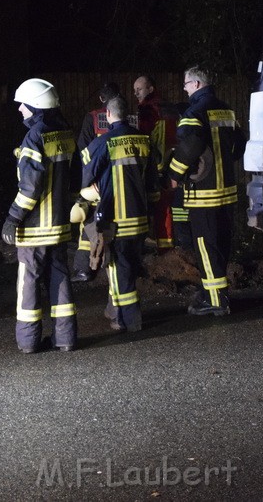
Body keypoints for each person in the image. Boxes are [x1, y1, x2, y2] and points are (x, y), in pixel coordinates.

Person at [2, 78, 78, 353]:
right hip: (59, 226)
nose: (20, 109)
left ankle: (28, 341)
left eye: (23, 104)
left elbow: (30, 186)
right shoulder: (65, 132)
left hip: (34, 229)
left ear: (36, 105)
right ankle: (66, 339)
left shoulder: (34, 136)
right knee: (60, 281)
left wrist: (13, 217)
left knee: (29, 283)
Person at [166, 66, 247, 316]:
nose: (185, 89)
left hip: (204, 194)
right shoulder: (226, 109)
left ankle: (215, 300)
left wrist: (174, 173)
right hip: (227, 192)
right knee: (221, 243)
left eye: (187, 84)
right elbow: (240, 145)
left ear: (197, 84)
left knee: (205, 245)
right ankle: (213, 292)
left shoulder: (194, 112)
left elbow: (190, 145)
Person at [80, 97, 157, 332]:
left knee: (117, 271)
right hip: (140, 220)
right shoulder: (144, 140)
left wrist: (88, 193)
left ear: (109, 115)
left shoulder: (104, 142)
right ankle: (117, 312)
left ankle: (128, 320)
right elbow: (153, 182)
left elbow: (87, 172)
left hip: (117, 221)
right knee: (129, 268)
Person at [72, 81, 122, 282]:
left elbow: (83, 150)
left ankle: (86, 268)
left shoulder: (92, 118)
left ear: (102, 98)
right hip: (125, 181)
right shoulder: (131, 117)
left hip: (97, 182)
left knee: (87, 219)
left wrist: (82, 182)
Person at [133, 75, 184, 253]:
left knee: (156, 208)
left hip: (155, 168)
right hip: (174, 165)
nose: (135, 93)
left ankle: (160, 249)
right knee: (167, 209)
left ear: (151, 89)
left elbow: (145, 138)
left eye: (139, 89)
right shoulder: (169, 108)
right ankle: (167, 247)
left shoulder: (149, 110)